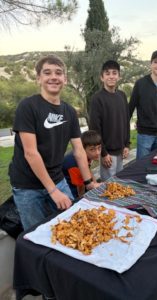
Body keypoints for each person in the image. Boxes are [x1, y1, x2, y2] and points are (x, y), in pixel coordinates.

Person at [8, 54, 100, 230]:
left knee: (74, 225)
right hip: (28, 186)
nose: (53, 77)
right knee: (38, 235)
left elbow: (79, 151)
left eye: (58, 73)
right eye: (47, 72)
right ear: (38, 79)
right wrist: (53, 191)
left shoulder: (70, 112)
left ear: (65, 79)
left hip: (57, 179)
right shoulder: (28, 106)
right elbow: (31, 153)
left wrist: (89, 182)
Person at [89, 60, 130, 181]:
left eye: (114, 73)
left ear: (119, 76)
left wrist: (127, 145)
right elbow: (95, 129)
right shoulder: (97, 99)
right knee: (109, 188)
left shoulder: (122, 96)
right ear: (102, 77)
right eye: (107, 73)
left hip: (121, 151)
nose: (111, 76)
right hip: (108, 154)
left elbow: (126, 122)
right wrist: (103, 153)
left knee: (119, 184)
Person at [63, 130, 102, 198]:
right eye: (92, 149)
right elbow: (80, 188)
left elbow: (88, 169)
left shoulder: (88, 156)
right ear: (83, 149)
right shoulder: (75, 163)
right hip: (70, 188)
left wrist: (95, 184)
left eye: (99, 148)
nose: (97, 152)